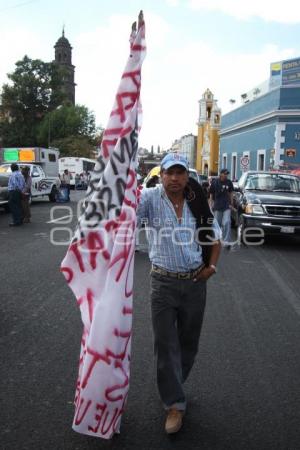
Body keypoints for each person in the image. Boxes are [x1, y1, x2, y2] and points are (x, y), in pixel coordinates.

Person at [136, 153, 221, 434]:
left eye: (179, 173)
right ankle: (174, 403)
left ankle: (174, 384)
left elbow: (215, 236)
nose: (174, 178)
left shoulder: (197, 201)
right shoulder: (148, 198)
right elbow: (125, 217)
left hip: (196, 282)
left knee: (188, 343)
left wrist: (211, 267)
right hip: (163, 283)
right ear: (161, 175)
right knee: (165, 343)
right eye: (169, 173)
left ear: (187, 176)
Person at [209, 169, 234, 249]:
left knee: (227, 222)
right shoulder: (215, 182)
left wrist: (231, 203)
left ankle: (227, 242)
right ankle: (216, 240)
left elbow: (231, 193)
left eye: (227, 174)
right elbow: (211, 195)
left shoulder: (229, 182)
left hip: (227, 206)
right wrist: (210, 205)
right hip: (217, 206)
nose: (226, 175)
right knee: (217, 224)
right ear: (221, 174)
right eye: (225, 174)